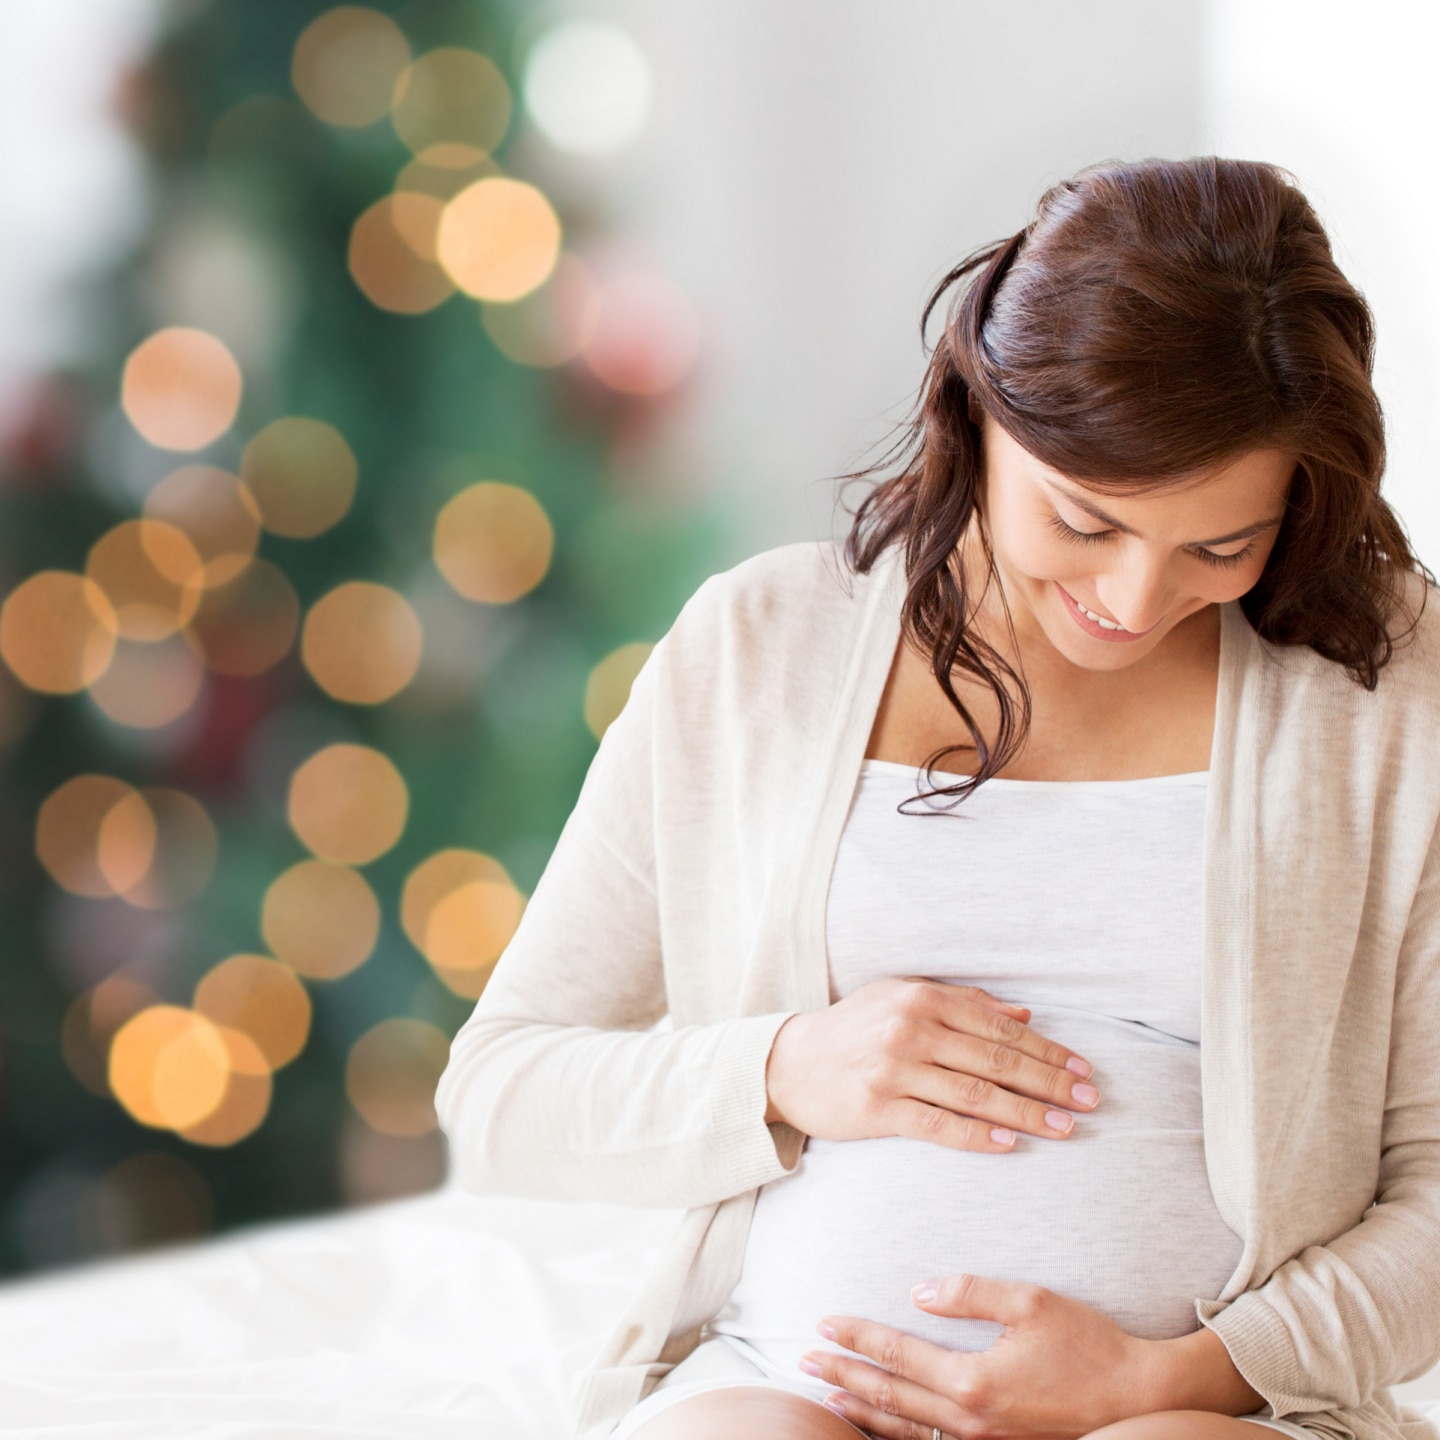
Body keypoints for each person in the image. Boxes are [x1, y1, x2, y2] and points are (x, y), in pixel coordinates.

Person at [434, 156, 1440, 1440]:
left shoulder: (1384, 688)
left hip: (1212, 1414)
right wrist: (788, 1069)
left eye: (1218, 547)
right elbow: (507, 1088)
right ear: (980, 411)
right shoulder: (761, 645)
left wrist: (1171, 1380)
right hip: (789, 1383)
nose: (1133, 603)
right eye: (1085, 522)